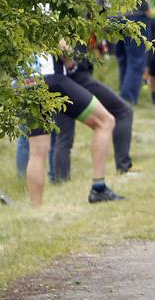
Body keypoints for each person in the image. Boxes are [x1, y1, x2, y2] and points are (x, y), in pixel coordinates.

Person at [23, 50, 123, 207]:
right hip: (51, 77)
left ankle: (36, 208)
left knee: (37, 152)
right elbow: (60, 43)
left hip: (27, 82)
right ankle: (99, 189)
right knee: (105, 121)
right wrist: (71, 64)